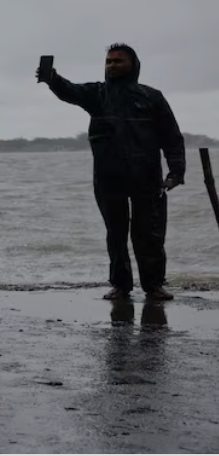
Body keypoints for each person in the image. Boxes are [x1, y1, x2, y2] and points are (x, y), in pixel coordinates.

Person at [37, 43, 184, 301]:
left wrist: (176, 172)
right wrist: (52, 79)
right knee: (115, 235)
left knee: (149, 235)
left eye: (118, 61)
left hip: (147, 178)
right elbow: (69, 90)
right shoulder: (97, 94)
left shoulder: (152, 97)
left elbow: (171, 137)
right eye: (109, 61)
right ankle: (120, 286)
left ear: (133, 65)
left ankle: (154, 286)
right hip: (108, 177)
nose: (112, 65)